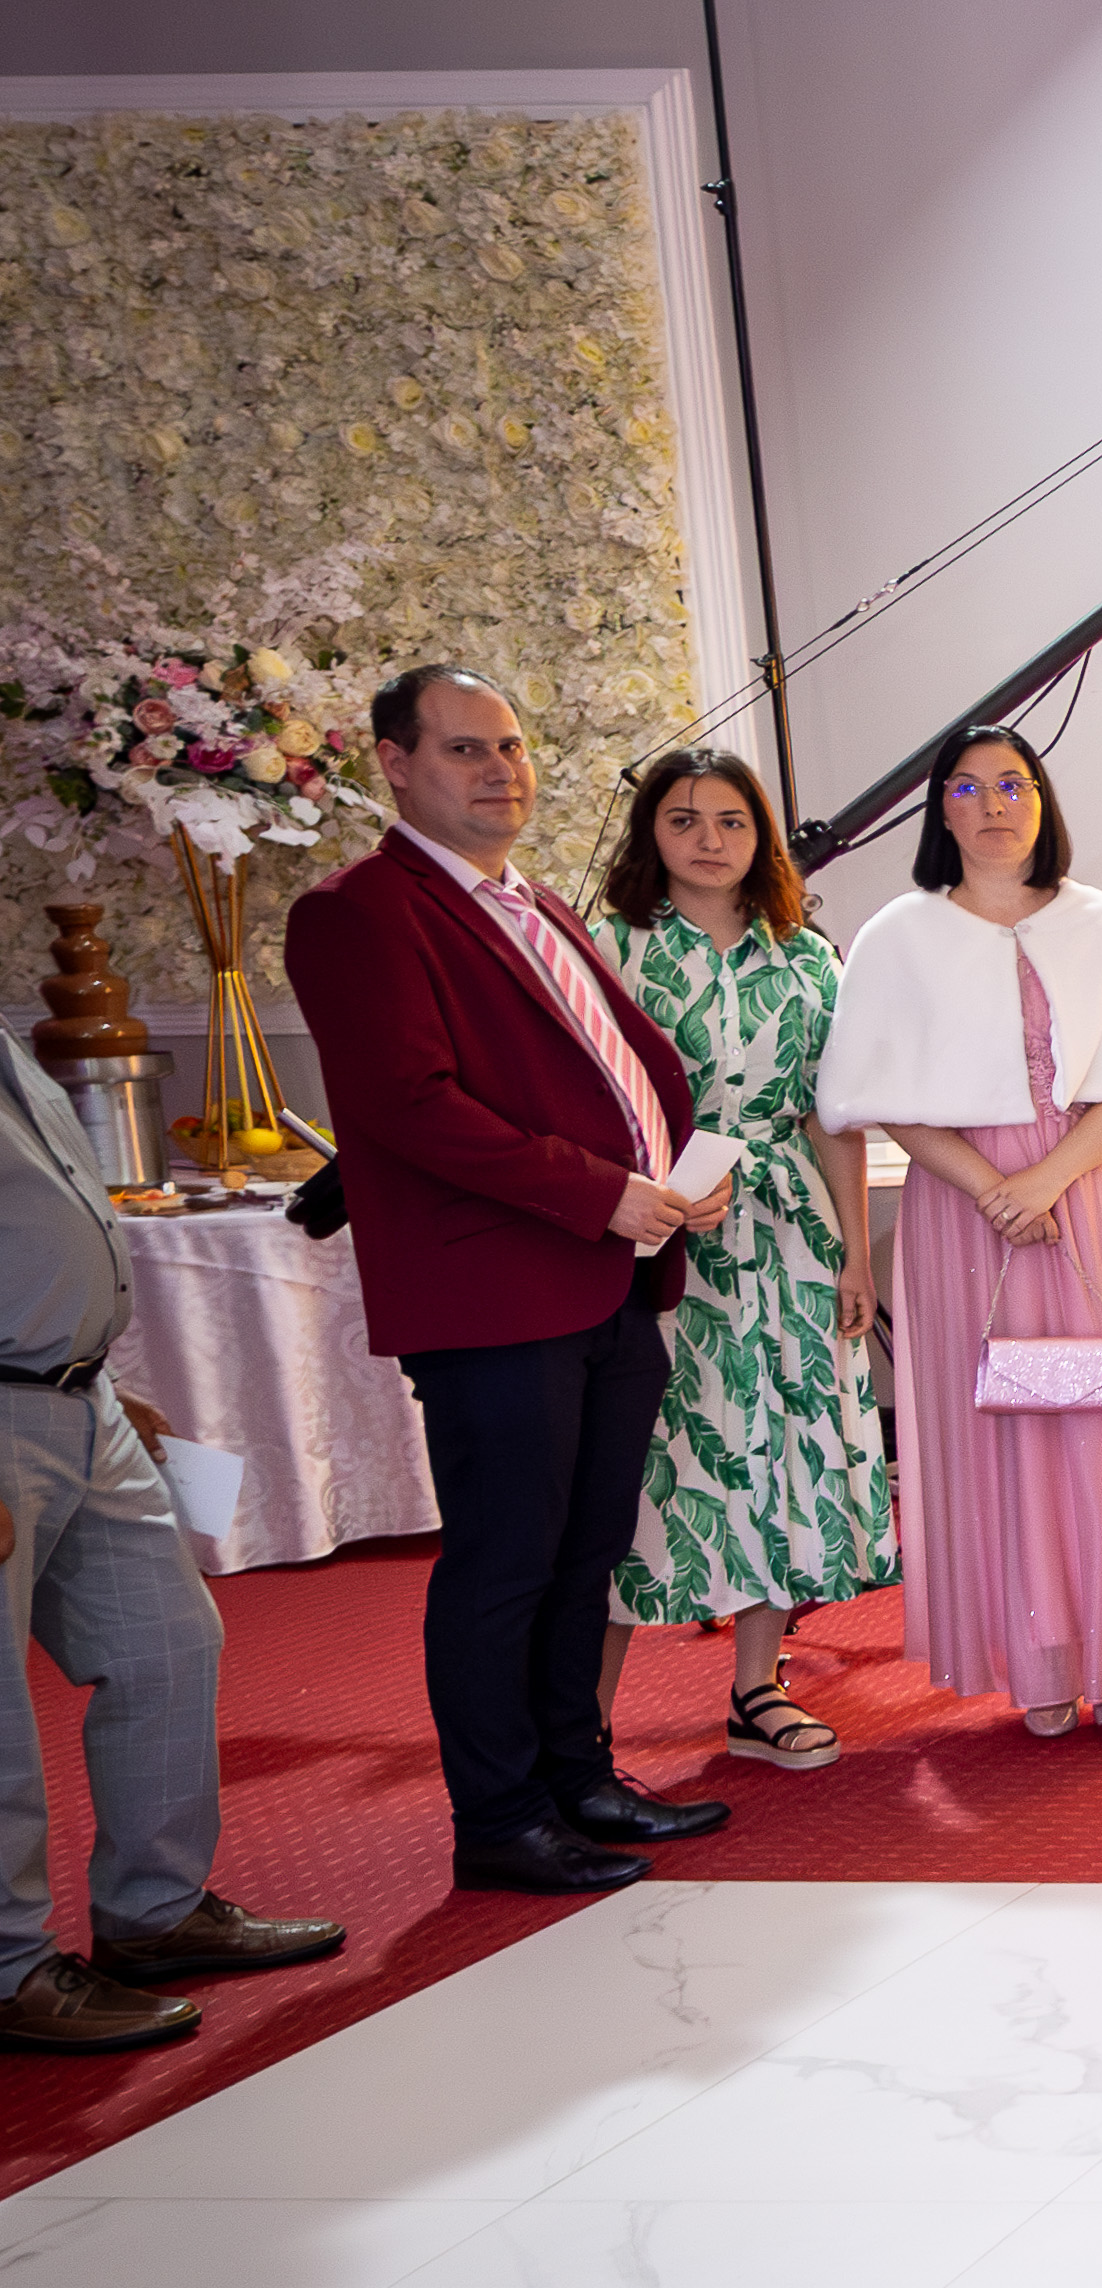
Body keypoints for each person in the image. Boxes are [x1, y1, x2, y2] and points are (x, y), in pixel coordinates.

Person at [281, 664, 737, 1895]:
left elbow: (603, 1068)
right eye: (467, 748)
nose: (502, 770)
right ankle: (498, 1817)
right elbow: (412, 1105)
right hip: (496, 1295)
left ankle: (576, 1774)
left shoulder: (529, 899)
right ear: (394, 763)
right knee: (505, 1563)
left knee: (587, 1553)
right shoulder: (358, 911)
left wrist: (670, 1180)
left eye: (514, 747)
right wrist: (602, 1189)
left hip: (610, 1276)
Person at [817, 725, 1102, 1743]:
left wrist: (1045, 1178)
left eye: (1013, 784)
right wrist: (995, 1188)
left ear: (1041, 801)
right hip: (962, 1209)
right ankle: (1039, 1662)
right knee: (999, 1433)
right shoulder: (898, 936)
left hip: (1091, 1185)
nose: (994, 804)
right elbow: (878, 1093)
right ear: (939, 812)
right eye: (967, 788)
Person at [5, 1043, 340, 2047]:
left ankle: (154, 1912)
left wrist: (96, 1372)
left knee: (167, 1645)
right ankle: (11, 1968)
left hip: (77, 1395)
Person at [586, 750, 897, 1769]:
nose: (709, 839)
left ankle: (756, 1688)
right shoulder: (611, 949)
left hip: (788, 1231)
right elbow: (584, 1100)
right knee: (647, 1456)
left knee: (785, 1449)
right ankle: (583, 1717)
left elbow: (830, 1117)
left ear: (761, 835)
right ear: (651, 833)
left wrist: (854, 1256)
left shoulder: (806, 958)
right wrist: (643, 1191)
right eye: (683, 819)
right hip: (660, 1232)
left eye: (731, 820)